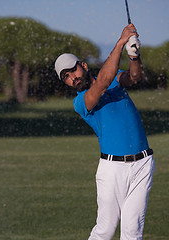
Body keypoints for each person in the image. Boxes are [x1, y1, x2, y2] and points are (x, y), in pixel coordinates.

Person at [54, 24, 155, 240]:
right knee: (105, 230)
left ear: (83, 65)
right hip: (112, 169)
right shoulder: (81, 102)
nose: (72, 78)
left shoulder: (114, 79)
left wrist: (134, 54)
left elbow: (134, 77)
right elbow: (102, 84)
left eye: (73, 71)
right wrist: (120, 42)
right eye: (66, 78)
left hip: (143, 164)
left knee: (133, 231)